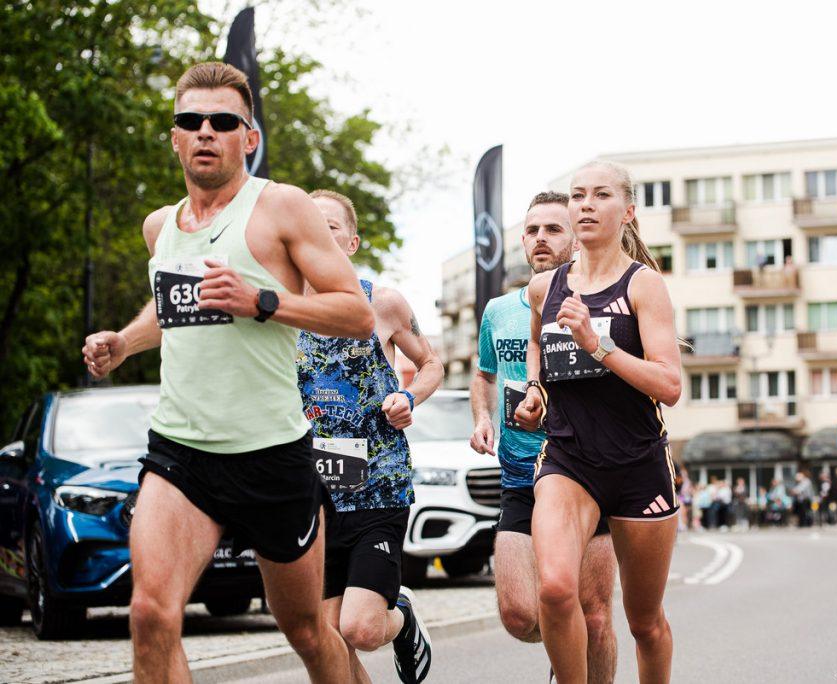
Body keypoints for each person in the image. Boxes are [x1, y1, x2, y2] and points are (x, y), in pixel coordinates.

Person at [81, 62, 375, 682]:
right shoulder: (160, 227)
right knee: (150, 615)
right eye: (192, 120)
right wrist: (124, 343)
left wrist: (262, 301)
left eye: (222, 120)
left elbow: (356, 314)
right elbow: (175, 311)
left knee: (306, 631)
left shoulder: (282, 207)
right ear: (175, 138)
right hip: (182, 449)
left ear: (249, 137)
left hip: (270, 453)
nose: (206, 131)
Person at [515, 161, 682, 683]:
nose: (586, 204)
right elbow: (538, 345)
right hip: (569, 461)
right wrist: (535, 390)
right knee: (554, 589)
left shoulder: (643, 286)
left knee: (645, 623)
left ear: (627, 211)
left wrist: (599, 345)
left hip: (637, 466)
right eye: (578, 194)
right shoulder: (545, 288)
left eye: (601, 195)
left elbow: (669, 386)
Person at [297, 189, 443, 683]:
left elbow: (431, 363)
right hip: (312, 494)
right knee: (327, 638)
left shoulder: (382, 302)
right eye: (308, 226)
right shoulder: (283, 309)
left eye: (330, 227)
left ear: (352, 242)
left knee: (359, 628)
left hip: (377, 485)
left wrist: (409, 397)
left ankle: (401, 617)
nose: (318, 236)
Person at [470, 191, 617, 683]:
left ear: (575, 239)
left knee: (595, 617)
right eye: (532, 230)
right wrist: (483, 417)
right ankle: (564, 646)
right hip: (519, 475)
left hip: (586, 474)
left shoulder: (599, 302)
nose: (540, 239)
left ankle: (573, 657)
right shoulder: (498, 310)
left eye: (553, 229)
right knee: (520, 615)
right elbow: (484, 374)